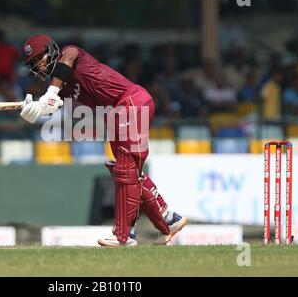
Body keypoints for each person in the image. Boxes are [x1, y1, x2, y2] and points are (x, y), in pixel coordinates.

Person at [19, 34, 187, 247]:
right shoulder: (65, 86)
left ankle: (123, 236)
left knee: (126, 171)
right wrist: (37, 108)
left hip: (131, 101)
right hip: (116, 113)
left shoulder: (69, 53)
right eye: (34, 63)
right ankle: (170, 219)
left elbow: (68, 58)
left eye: (39, 57)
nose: (38, 64)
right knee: (127, 172)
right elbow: (57, 104)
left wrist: (51, 92)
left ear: (51, 50)